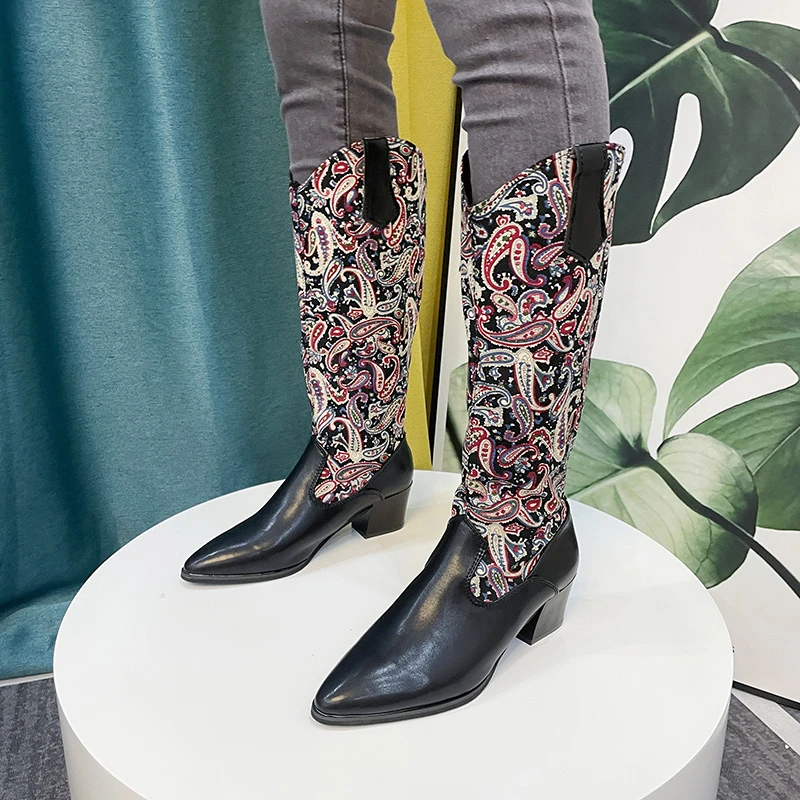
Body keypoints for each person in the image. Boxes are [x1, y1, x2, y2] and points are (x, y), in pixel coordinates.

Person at [182, 0, 625, 725]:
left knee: (505, 21)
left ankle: (516, 532)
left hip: (511, 523)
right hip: (354, 437)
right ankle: (357, 450)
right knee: (314, 32)